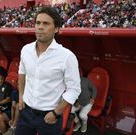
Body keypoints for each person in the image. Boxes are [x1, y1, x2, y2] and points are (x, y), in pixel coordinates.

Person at [15, 6, 81, 135]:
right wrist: (21, 96)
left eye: (46, 23)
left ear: (56, 28)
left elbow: (74, 89)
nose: (40, 27)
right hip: (26, 112)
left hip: (49, 117)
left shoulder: (67, 57)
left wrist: (56, 113)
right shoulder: (26, 50)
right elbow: (22, 72)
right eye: (38, 23)